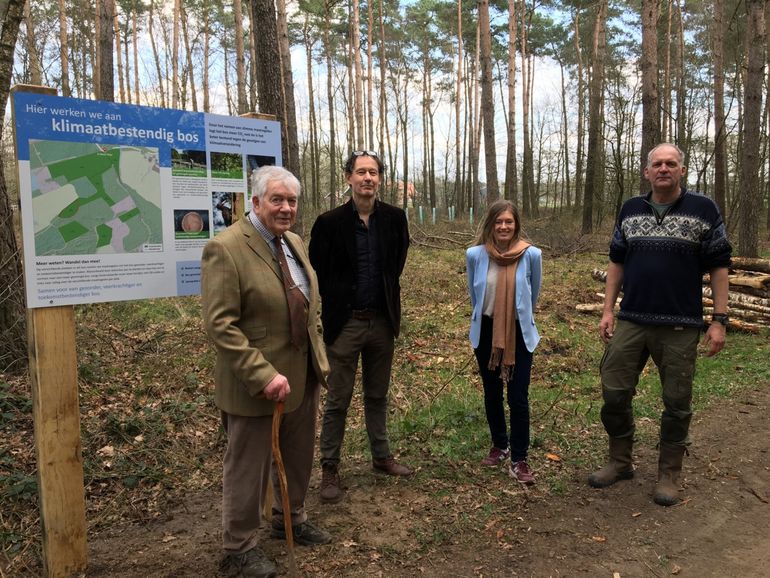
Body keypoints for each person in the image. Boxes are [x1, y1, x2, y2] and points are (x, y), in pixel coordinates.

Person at [201, 166, 331, 578]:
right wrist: (263, 376)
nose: (286, 208)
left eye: (292, 201)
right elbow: (221, 325)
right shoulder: (225, 248)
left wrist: (317, 360)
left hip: (301, 374)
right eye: (277, 199)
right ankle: (238, 547)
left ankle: (289, 517)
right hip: (256, 384)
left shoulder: (293, 242)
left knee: (297, 456)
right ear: (255, 202)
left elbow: (308, 303)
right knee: (248, 466)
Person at [588, 143, 732, 506]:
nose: (664, 168)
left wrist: (719, 320)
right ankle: (620, 462)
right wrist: (608, 310)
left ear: (682, 170)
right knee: (614, 393)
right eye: (657, 164)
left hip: (680, 325)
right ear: (647, 171)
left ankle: (669, 473)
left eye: (671, 163)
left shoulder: (703, 209)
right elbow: (616, 261)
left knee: (676, 400)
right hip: (632, 319)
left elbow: (719, 266)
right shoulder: (631, 210)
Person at [309, 150, 412, 505]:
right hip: (346, 323)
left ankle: (381, 456)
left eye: (373, 172)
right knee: (338, 398)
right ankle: (329, 466)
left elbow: (396, 265)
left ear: (380, 178)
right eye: (361, 172)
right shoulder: (328, 222)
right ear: (348, 177)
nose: (367, 178)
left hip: (382, 321)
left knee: (377, 394)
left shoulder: (396, 219)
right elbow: (317, 269)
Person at [466, 200, 543, 485]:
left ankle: (519, 459)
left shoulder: (531, 255)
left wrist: (512, 317)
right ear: (490, 225)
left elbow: (533, 296)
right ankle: (500, 445)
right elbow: (475, 297)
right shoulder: (474, 255)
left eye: (508, 222)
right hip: (486, 332)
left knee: (518, 397)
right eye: (499, 222)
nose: (503, 226)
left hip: (519, 334)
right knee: (492, 392)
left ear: (516, 225)